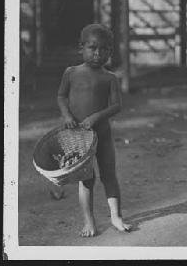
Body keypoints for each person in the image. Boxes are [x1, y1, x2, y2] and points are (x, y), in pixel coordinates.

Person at [57, 24, 131, 237]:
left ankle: (116, 217)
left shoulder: (110, 78)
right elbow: (61, 96)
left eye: (104, 49)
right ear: (81, 48)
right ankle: (89, 222)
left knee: (109, 175)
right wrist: (68, 116)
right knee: (86, 179)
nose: (98, 53)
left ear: (110, 52)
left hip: (103, 135)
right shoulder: (71, 73)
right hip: (80, 137)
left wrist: (96, 117)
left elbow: (117, 106)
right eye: (92, 47)